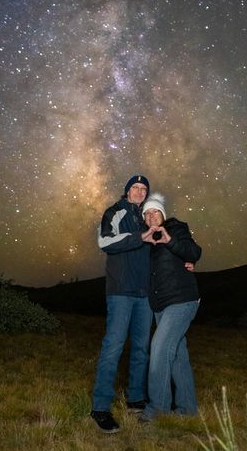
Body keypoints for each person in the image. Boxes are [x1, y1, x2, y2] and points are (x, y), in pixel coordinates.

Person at [90, 174, 153, 433]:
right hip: (120, 292)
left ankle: (135, 400)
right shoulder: (114, 212)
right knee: (114, 346)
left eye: (143, 189)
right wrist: (139, 237)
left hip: (144, 294)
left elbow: (159, 251)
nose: (139, 192)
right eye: (135, 188)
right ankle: (100, 408)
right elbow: (104, 242)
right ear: (127, 190)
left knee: (141, 348)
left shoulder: (147, 216)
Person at [140, 192, 201, 421]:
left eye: (155, 211)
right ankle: (188, 409)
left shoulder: (175, 228)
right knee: (177, 357)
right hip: (161, 306)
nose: (151, 216)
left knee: (159, 348)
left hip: (181, 301)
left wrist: (171, 242)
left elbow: (194, 252)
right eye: (147, 213)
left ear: (163, 214)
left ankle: (157, 410)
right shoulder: (147, 240)